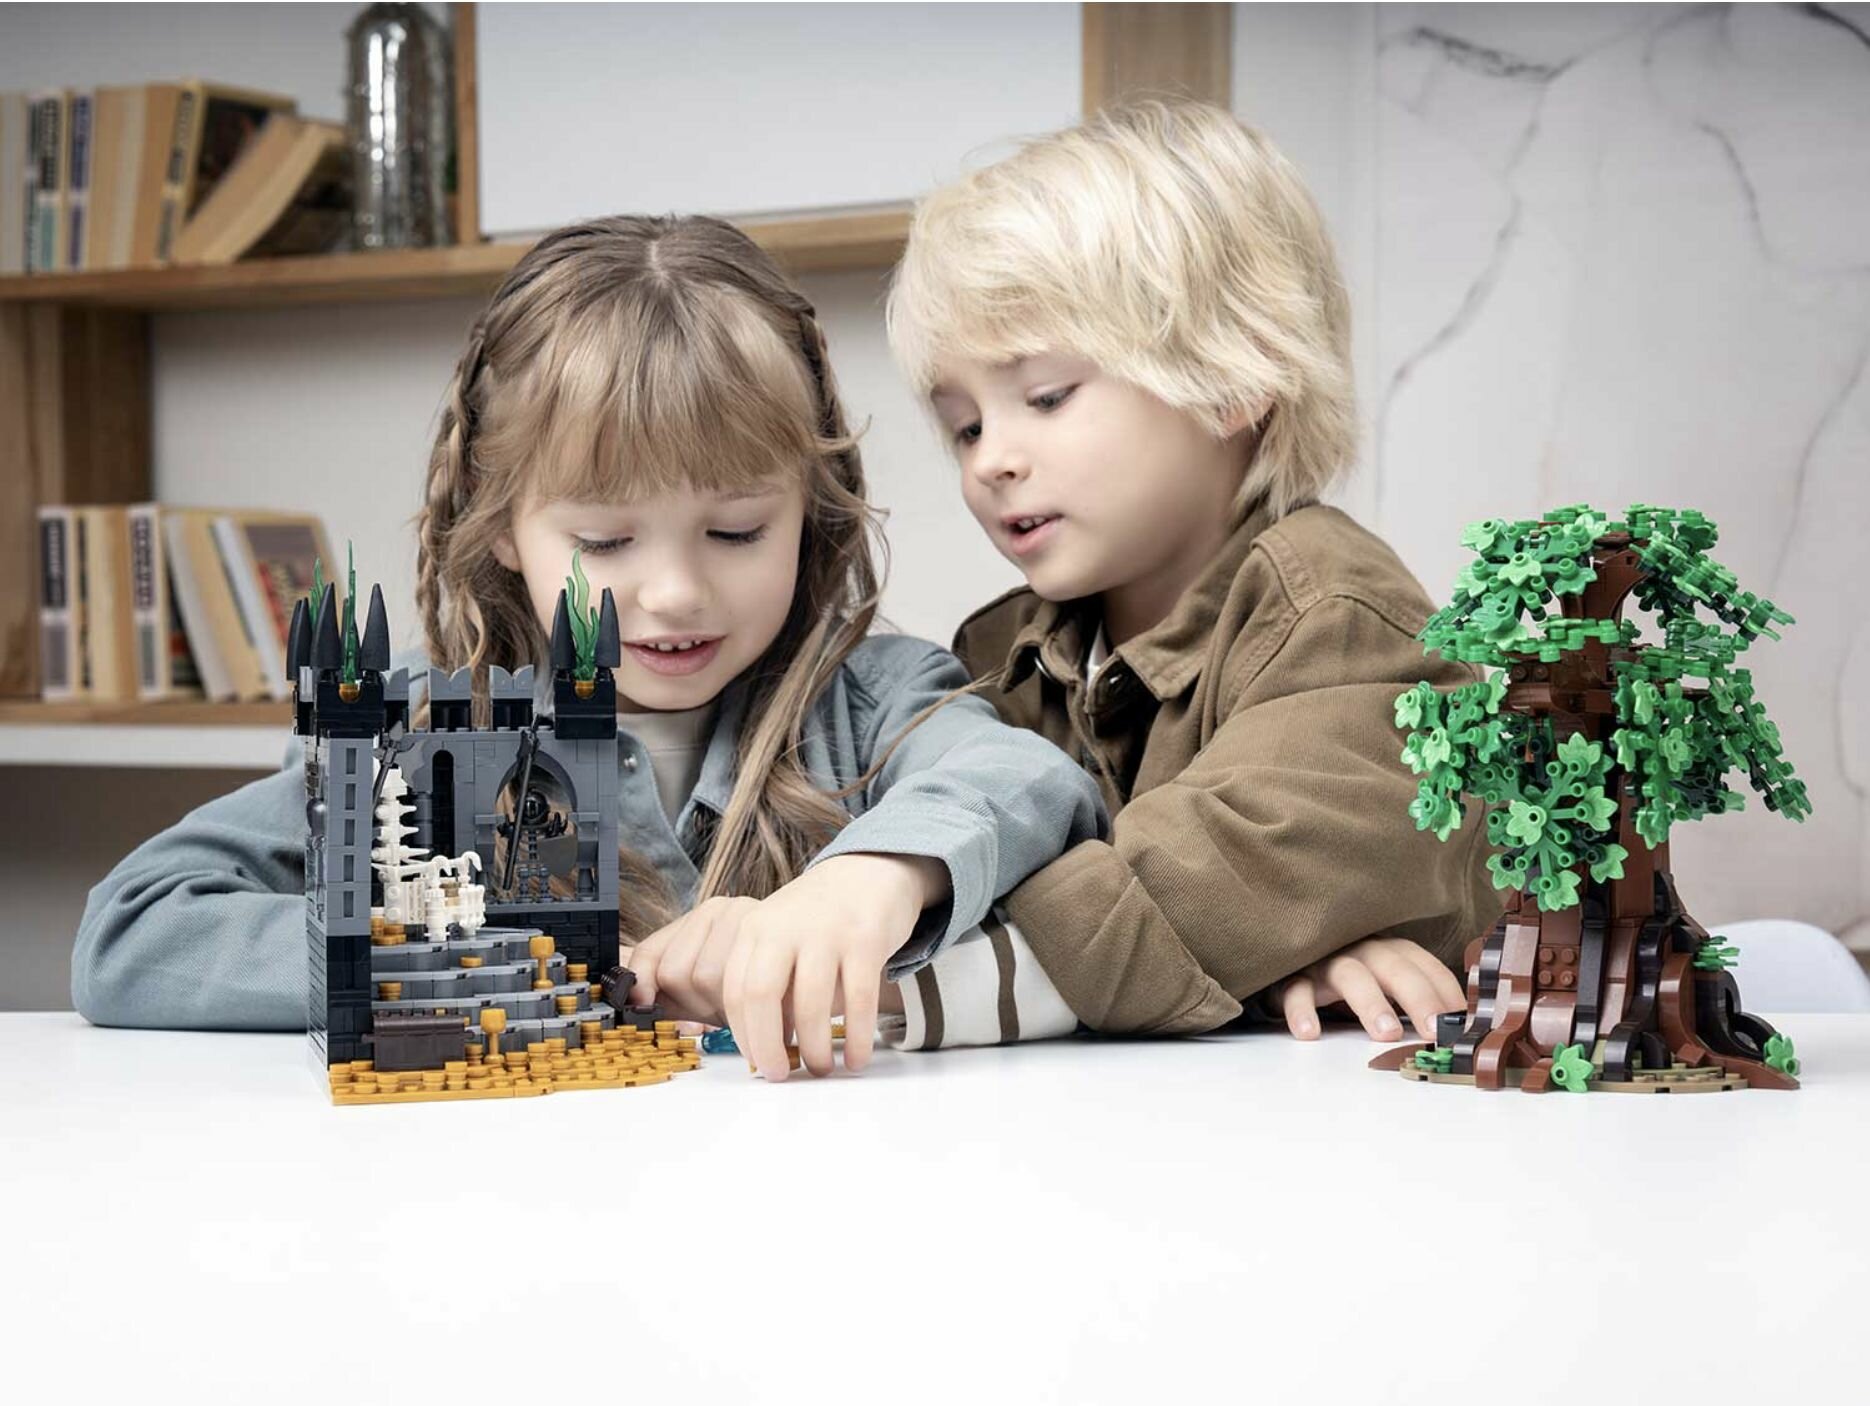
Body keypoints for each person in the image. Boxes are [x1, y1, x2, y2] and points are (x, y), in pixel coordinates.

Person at [71, 214, 1104, 1082]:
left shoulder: (873, 698)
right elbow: (133, 929)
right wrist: (460, 961)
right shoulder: (411, 728)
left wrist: (865, 882)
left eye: (737, 530)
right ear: (501, 527)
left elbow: (1031, 780)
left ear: (811, 512)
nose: (674, 591)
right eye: (605, 541)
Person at [879, 98, 1498, 1049]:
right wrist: (1262, 967)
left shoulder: (1336, 617)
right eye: (965, 426)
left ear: (1232, 381)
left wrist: (884, 975)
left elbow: (1222, 877)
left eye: (1046, 397)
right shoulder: (1003, 650)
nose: (990, 459)